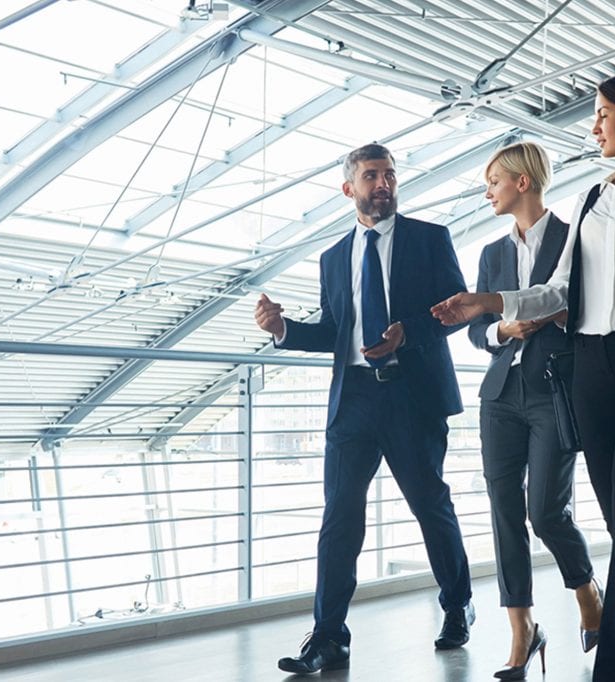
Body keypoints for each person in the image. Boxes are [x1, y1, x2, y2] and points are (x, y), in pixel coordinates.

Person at [433, 69, 615, 682]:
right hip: (592, 365)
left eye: (602, 114)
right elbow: (559, 291)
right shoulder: (592, 197)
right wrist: (488, 304)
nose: (594, 126)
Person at [254, 143, 475, 675]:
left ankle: (457, 605)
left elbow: (459, 311)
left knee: (429, 504)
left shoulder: (429, 239)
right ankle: (329, 636)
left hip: (411, 395)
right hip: (352, 399)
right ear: (349, 188)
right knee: (339, 518)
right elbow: (336, 331)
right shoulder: (334, 258)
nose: (384, 184)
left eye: (390, 175)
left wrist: (409, 333)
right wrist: (282, 329)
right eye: (372, 175)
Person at [468, 141, 603, 680]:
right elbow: (477, 328)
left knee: (546, 511)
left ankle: (588, 590)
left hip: (554, 391)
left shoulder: (577, 240)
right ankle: (523, 629)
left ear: (522, 182)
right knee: (504, 512)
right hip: (500, 394)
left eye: (495, 181)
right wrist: (501, 328)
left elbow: (592, 309)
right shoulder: (491, 254)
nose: (488, 191)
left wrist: (549, 318)